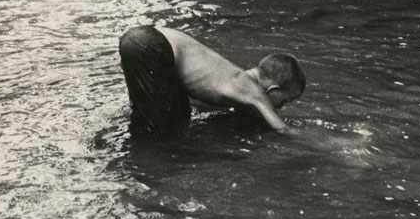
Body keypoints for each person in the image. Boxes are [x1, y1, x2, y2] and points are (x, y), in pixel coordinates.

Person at [118, 25, 306, 137]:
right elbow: (282, 129)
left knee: (174, 115)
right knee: (164, 134)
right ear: (273, 89)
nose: (281, 107)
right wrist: (327, 145)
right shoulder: (251, 89)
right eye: (285, 100)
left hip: (142, 37)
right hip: (153, 45)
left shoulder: (233, 79)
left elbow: (197, 100)